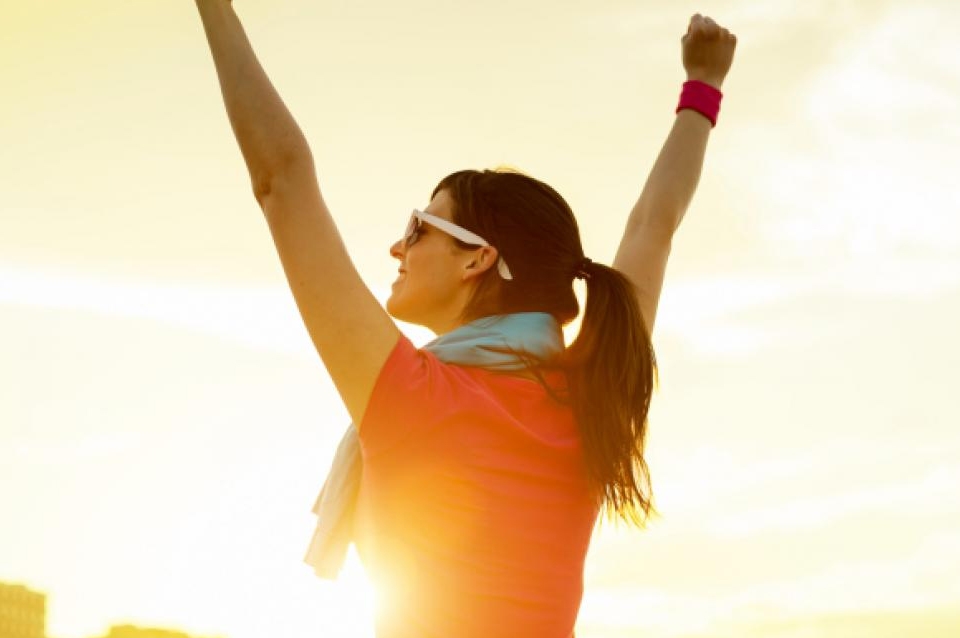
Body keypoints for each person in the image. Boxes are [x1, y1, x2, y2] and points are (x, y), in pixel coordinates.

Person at [194, 3, 736, 636]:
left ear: (478, 258)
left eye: (419, 227)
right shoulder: (594, 399)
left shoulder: (411, 397)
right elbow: (654, 229)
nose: (397, 247)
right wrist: (704, 86)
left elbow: (281, 180)